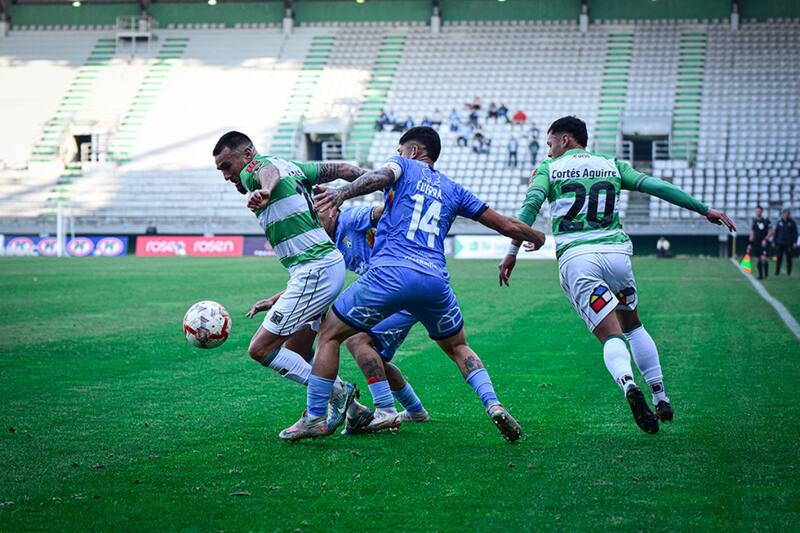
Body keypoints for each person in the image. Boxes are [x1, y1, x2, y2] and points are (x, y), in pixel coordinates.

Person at [279, 126, 546, 442]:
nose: (397, 153)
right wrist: (537, 236)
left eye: (400, 148)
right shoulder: (454, 189)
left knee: (329, 335)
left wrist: (341, 193)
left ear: (414, 151)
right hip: (435, 282)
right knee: (458, 346)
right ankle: (494, 405)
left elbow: (380, 176)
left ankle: (314, 418)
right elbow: (505, 224)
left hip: (390, 274)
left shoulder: (403, 165)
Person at [499, 116, 735, 434]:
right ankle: (661, 397)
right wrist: (703, 208)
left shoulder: (548, 169)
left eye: (550, 142)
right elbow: (657, 186)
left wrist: (512, 251)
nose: (549, 149)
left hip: (580, 260)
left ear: (565, 139)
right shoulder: (611, 164)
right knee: (633, 326)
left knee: (611, 335)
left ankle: (628, 386)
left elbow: (530, 207)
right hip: (617, 258)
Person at [212, 131, 367, 432]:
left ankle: (331, 399)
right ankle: (357, 413)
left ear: (246, 155)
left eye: (226, 166)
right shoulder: (293, 167)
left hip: (316, 271)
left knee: (261, 349)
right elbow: (342, 170)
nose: (227, 176)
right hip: (317, 270)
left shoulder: (254, 170)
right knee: (297, 350)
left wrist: (266, 190)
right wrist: (384, 186)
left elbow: (264, 172)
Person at [247, 203, 431, 434]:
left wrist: (419, 217)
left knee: (356, 341)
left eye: (317, 214)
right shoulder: (329, 246)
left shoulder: (352, 217)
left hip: (401, 287)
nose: (313, 220)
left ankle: (384, 410)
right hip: (388, 291)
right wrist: (274, 300)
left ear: (333, 209)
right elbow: (314, 279)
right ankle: (412, 411)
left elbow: (386, 210)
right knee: (373, 357)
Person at [748, 205, 771, 280]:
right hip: (756, 242)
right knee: (758, 259)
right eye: (756, 211)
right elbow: (752, 232)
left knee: (764, 258)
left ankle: (766, 275)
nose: (758, 212)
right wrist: (750, 243)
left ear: (762, 211)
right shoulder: (754, 221)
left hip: (763, 242)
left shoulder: (766, 220)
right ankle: (760, 275)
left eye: (759, 211)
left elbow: (771, 231)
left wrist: (765, 239)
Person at [774, 208, 797, 276]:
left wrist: (795, 242)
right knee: (779, 258)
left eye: (787, 214)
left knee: (789, 258)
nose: (786, 215)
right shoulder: (779, 222)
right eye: (785, 214)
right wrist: (774, 241)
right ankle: (777, 271)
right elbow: (776, 232)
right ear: (782, 214)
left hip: (788, 243)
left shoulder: (792, 223)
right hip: (780, 243)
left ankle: (789, 272)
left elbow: (795, 233)